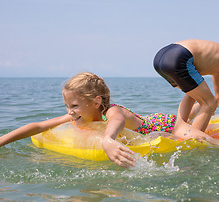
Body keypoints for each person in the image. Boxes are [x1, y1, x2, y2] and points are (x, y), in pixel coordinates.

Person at [0, 72, 184, 168]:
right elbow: (39, 126)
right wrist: (3, 140)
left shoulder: (112, 112)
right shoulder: (76, 115)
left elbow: (117, 122)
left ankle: (196, 105)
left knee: (185, 127)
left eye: (74, 106)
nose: (70, 112)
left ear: (96, 102)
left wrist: (107, 139)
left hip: (162, 123)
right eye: (67, 106)